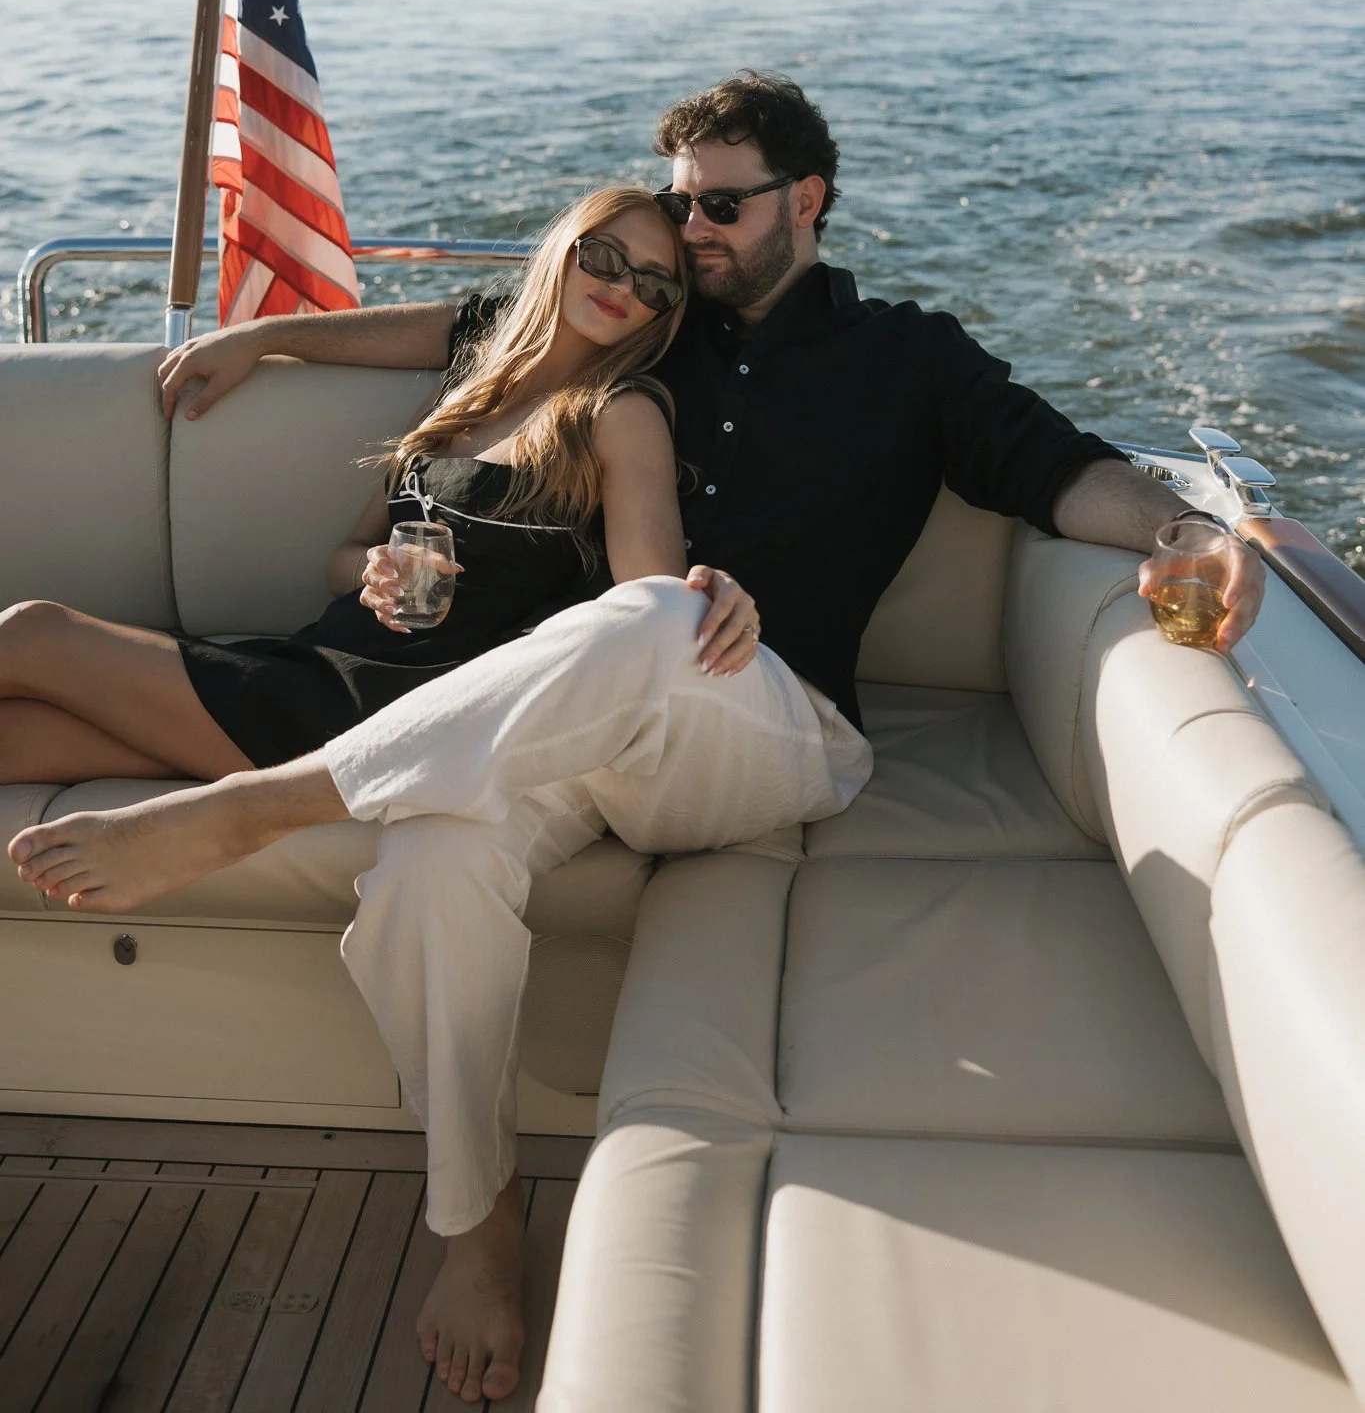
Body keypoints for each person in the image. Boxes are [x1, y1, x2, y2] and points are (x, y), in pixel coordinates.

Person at [9, 72, 1266, 1405]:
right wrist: (273, 341)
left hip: (769, 730)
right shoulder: (646, 337)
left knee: (655, 612)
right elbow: (477, 326)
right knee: (434, 867)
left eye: (720, 209)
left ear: (807, 200)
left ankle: (258, 805)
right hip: (576, 727)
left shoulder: (907, 357)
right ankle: (475, 1223)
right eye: (681, 208)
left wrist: (1187, 530)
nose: (695, 235)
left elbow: (1061, 468)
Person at [0, 183, 762, 787]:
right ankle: (233, 757)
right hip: (320, 664)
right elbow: (346, 554)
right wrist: (369, 574)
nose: (623, 288)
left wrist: (708, 598)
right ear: (563, 250)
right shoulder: (471, 385)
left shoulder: (618, 415)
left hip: (401, 705)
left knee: (32, 631)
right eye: (604, 258)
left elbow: (645, 606)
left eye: (655, 286)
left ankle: (287, 763)